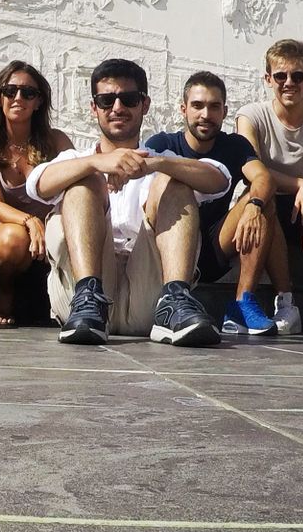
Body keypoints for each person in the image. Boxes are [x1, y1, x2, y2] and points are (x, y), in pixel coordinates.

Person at [26, 59, 232, 347]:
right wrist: (97, 164)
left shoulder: (158, 160)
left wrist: (156, 163)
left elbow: (220, 179)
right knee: (82, 183)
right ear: (93, 107)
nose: (118, 108)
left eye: (129, 99)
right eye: (107, 100)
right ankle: (88, 296)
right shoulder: (77, 159)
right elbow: (37, 185)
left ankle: (175, 299)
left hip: (150, 295)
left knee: (175, 181)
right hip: (82, 300)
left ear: (144, 105)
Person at [144, 72, 278, 336]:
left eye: (214, 106)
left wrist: (254, 204)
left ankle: (243, 304)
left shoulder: (234, 145)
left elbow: (263, 177)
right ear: (183, 109)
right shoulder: (162, 145)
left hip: (213, 249)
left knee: (263, 201)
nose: (206, 114)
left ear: (225, 111)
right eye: (197, 105)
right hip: (166, 253)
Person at [234, 39, 303, 335]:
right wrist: (301, 182)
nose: (289, 83)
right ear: (268, 79)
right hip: (268, 204)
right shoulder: (251, 116)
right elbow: (253, 171)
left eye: (298, 75)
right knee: (262, 198)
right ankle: (286, 303)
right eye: (280, 76)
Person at [0, 61, 74, 328]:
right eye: (10, 91)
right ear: (0, 98)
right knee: (10, 240)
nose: (19, 98)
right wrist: (30, 220)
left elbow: (76, 186)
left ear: (39, 101)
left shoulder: (56, 141)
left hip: (54, 229)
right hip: (13, 229)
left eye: (28, 93)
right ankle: (5, 289)